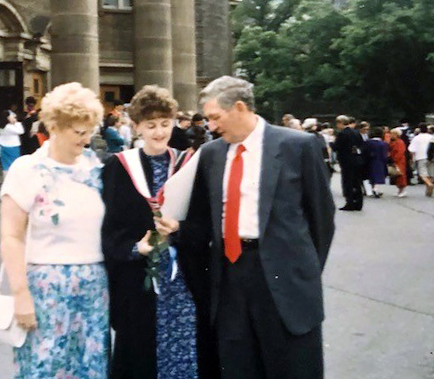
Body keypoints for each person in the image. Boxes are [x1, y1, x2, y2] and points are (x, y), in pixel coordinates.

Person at [180, 76, 335, 379]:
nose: (210, 126)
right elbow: (200, 219)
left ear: (239, 107)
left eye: (215, 117)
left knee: (291, 366)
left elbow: (321, 218)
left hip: (282, 277)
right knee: (237, 364)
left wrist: (301, 271)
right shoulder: (211, 154)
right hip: (229, 276)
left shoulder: (297, 146)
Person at [0, 82, 109, 379]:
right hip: (46, 286)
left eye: (90, 131)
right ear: (56, 126)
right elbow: (11, 236)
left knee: (91, 367)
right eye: (78, 131)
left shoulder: (96, 168)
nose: (86, 139)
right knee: (44, 366)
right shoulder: (27, 169)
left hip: (94, 285)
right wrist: (20, 293)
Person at [102, 85, 201, 379]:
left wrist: (180, 230)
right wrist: (135, 248)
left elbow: (203, 222)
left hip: (182, 278)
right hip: (138, 279)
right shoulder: (118, 167)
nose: (159, 132)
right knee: (141, 351)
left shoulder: (188, 165)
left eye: (164, 124)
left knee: (184, 349)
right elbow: (109, 225)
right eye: (150, 125)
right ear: (137, 127)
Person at [334, 115, 365, 211]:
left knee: (348, 182)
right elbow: (361, 144)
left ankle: (350, 202)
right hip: (357, 160)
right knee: (357, 182)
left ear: (340, 123)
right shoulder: (356, 132)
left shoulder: (342, 134)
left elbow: (337, 147)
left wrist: (332, 144)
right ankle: (359, 203)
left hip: (347, 161)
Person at [0, 110, 24, 177]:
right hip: (13, 146)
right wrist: (16, 123)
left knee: (5, 166)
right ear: (8, 117)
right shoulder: (9, 127)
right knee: (14, 165)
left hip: (3, 146)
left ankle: (5, 182)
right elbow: (21, 131)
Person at [408, 123, 434, 196]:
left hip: (421, 157)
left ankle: (429, 184)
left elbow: (411, 149)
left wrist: (411, 158)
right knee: (431, 173)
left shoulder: (416, 138)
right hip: (431, 157)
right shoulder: (431, 137)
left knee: (423, 174)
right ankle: (428, 190)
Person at [365, 127, 389, 198]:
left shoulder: (368, 142)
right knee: (378, 176)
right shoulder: (383, 144)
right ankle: (376, 189)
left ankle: (373, 189)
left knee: (372, 176)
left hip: (370, 161)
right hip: (379, 161)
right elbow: (384, 154)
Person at [389, 128, 408, 197]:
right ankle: (399, 190)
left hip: (399, 161)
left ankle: (402, 190)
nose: (391, 135)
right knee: (397, 176)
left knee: (401, 175)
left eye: (392, 134)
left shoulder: (399, 142)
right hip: (395, 160)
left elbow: (400, 152)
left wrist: (395, 159)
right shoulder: (393, 142)